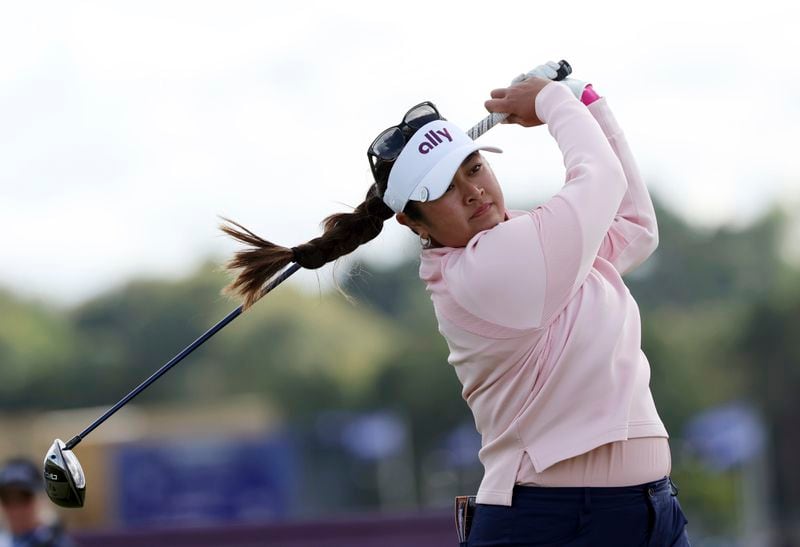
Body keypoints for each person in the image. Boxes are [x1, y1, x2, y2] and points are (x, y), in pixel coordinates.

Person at [221, 61, 691, 545]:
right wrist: (553, 102)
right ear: (412, 222)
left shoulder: (529, 239)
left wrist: (589, 103)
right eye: (444, 189)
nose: (472, 192)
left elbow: (634, 228)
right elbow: (601, 182)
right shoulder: (485, 268)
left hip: (650, 511)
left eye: (474, 168)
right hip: (556, 522)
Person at [0, 458, 75, 547]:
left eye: (24, 497)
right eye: (6, 498)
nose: (15, 508)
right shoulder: (5, 539)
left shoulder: (56, 542)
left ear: (42, 498)